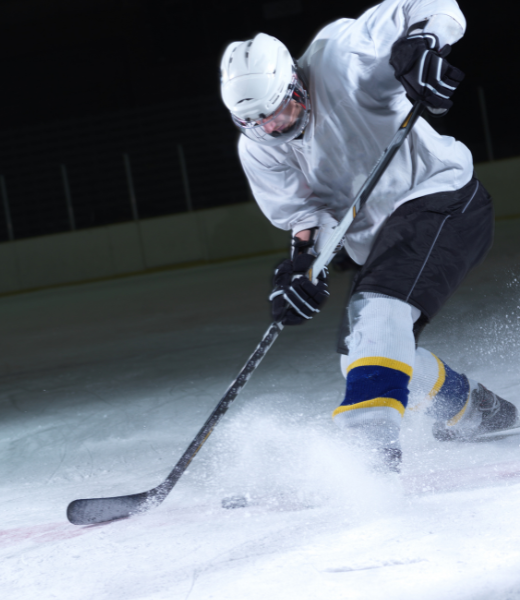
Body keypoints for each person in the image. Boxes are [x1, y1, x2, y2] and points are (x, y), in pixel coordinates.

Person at [219, 0, 516, 472]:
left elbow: (432, 5)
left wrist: (423, 42)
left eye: (279, 109)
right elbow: (304, 215)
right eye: (255, 121)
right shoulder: (259, 147)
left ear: (295, 79)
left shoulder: (342, 56)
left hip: (442, 199)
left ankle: (370, 453)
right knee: (358, 354)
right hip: (381, 240)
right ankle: (476, 411)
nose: (272, 127)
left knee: (380, 311)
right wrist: (301, 265)